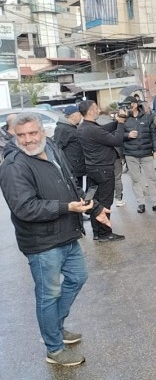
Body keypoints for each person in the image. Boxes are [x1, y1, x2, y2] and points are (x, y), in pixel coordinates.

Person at [0, 112, 110, 366]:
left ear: (43, 131)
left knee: (77, 277)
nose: (28, 139)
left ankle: (55, 326)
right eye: (21, 135)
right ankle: (54, 348)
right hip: (41, 243)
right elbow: (24, 208)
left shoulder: (50, 146)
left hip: (66, 232)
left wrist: (94, 208)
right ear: (14, 136)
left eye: (32, 133)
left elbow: (70, 184)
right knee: (48, 295)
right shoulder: (14, 166)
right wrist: (66, 208)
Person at [78, 100, 126, 242]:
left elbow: (104, 130)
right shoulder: (92, 129)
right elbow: (117, 140)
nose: (99, 110)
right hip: (103, 169)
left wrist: (117, 122)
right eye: (96, 108)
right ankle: (105, 233)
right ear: (90, 111)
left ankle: (97, 232)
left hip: (93, 169)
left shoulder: (84, 127)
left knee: (95, 201)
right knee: (105, 202)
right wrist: (121, 123)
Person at [121, 95, 156, 214]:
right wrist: (127, 135)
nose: (128, 106)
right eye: (126, 105)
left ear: (136, 104)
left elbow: (153, 134)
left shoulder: (148, 117)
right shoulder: (123, 119)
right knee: (136, 179)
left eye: (130, 104)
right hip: (130, 153)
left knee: (151, 178)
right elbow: (117, 134)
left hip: (146, 153)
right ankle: (140, 203)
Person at [95, 107, 126, 207]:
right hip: (115, 153)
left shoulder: (95, 125)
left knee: (104, 179)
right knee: (117, 177)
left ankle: (101, 201)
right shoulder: (113, 123)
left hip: (102, 157)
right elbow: (119, 137)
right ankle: (119, 199)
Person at [53, 105, 85, 189]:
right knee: (76, 190)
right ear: (73, 115)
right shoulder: (63, 128)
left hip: (77, 165)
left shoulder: (72, 127)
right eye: (79, 114)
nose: (81, 117)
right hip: (72, 167)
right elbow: (57, 148)